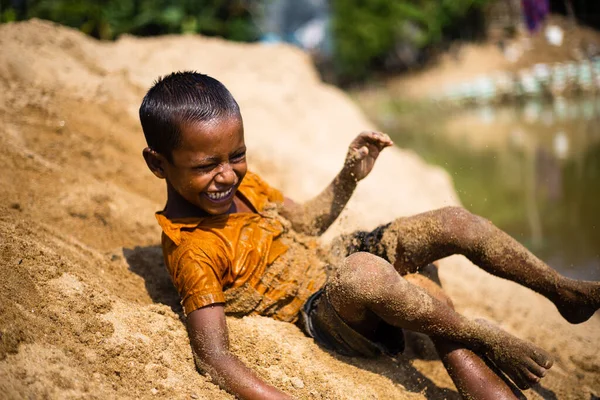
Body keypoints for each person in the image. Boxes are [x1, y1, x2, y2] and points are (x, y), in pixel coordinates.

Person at [139, 71, 600, 400]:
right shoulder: (193, 250)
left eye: (236, 155)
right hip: (323, 310)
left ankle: (561, 291)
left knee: (452, 222)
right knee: (367, 273)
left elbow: (306, 224)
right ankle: (476, 336)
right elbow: (215, 358)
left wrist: (348, 177)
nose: (227, 175)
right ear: (158, 163)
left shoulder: (245, 184)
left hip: (337, 261)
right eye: (206, 166)